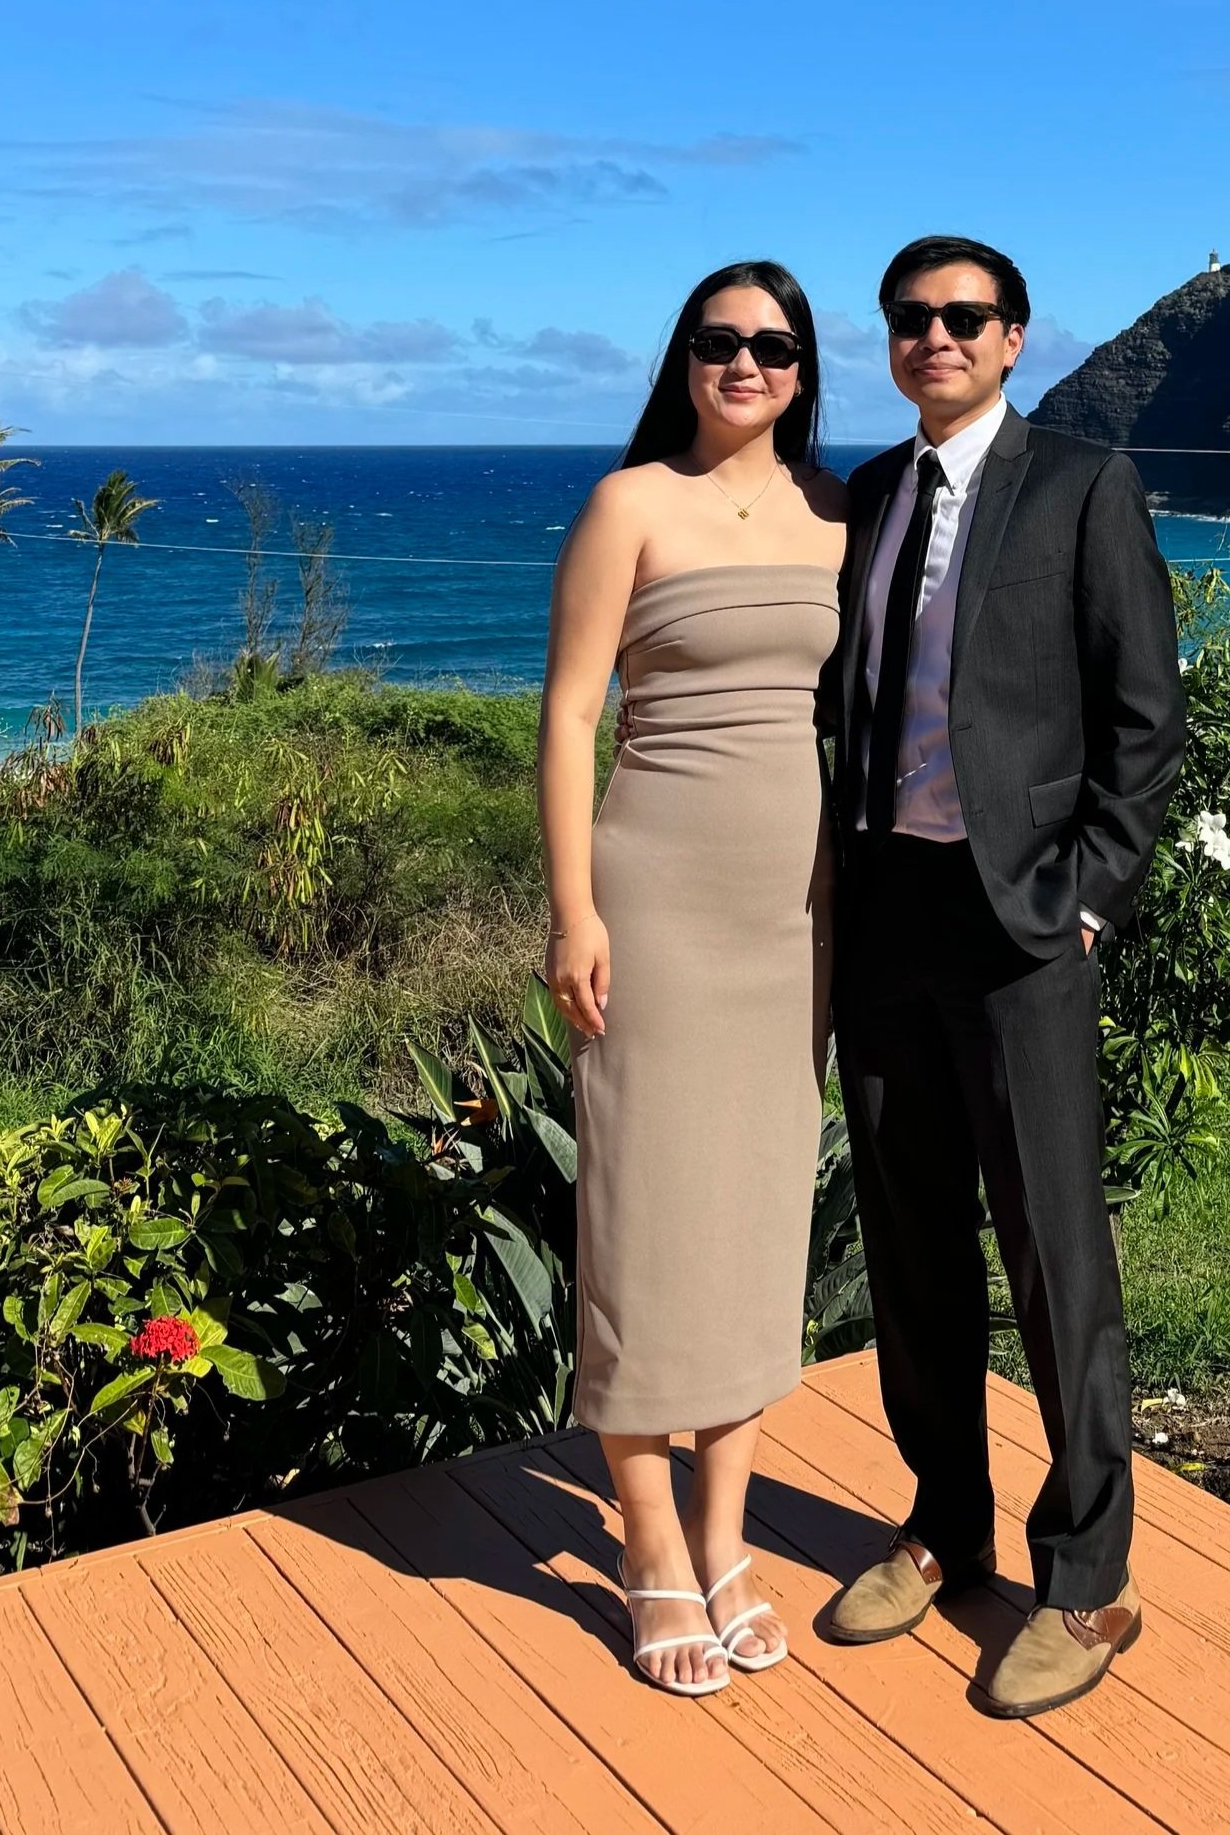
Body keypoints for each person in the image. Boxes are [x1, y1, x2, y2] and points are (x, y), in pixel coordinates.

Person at [819, 234, 1184, 1718]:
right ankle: (945, 1521)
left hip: (1022, 925)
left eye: (962, 317)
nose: (935, 337)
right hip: (886, 913)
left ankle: (1088, 1580)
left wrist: (1085, 903)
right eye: (911, 319)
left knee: (1054, 1253)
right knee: (912, 1244)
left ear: (1016, 336)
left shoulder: (1083, 487)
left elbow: (1143, 718)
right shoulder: (869, 496)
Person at [538, 260, 847, 1696]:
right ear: (683, 357)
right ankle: (650, 1543)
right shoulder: (629, 506)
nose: (745, 362)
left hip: (796, 917)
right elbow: (570, 712)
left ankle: (728, 1535)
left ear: (802, 369)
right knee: (649, 1217)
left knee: (754, 1221)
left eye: (773, 346)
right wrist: (572, 909)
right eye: (721, 341)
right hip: (655, 907)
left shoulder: (840, 513)